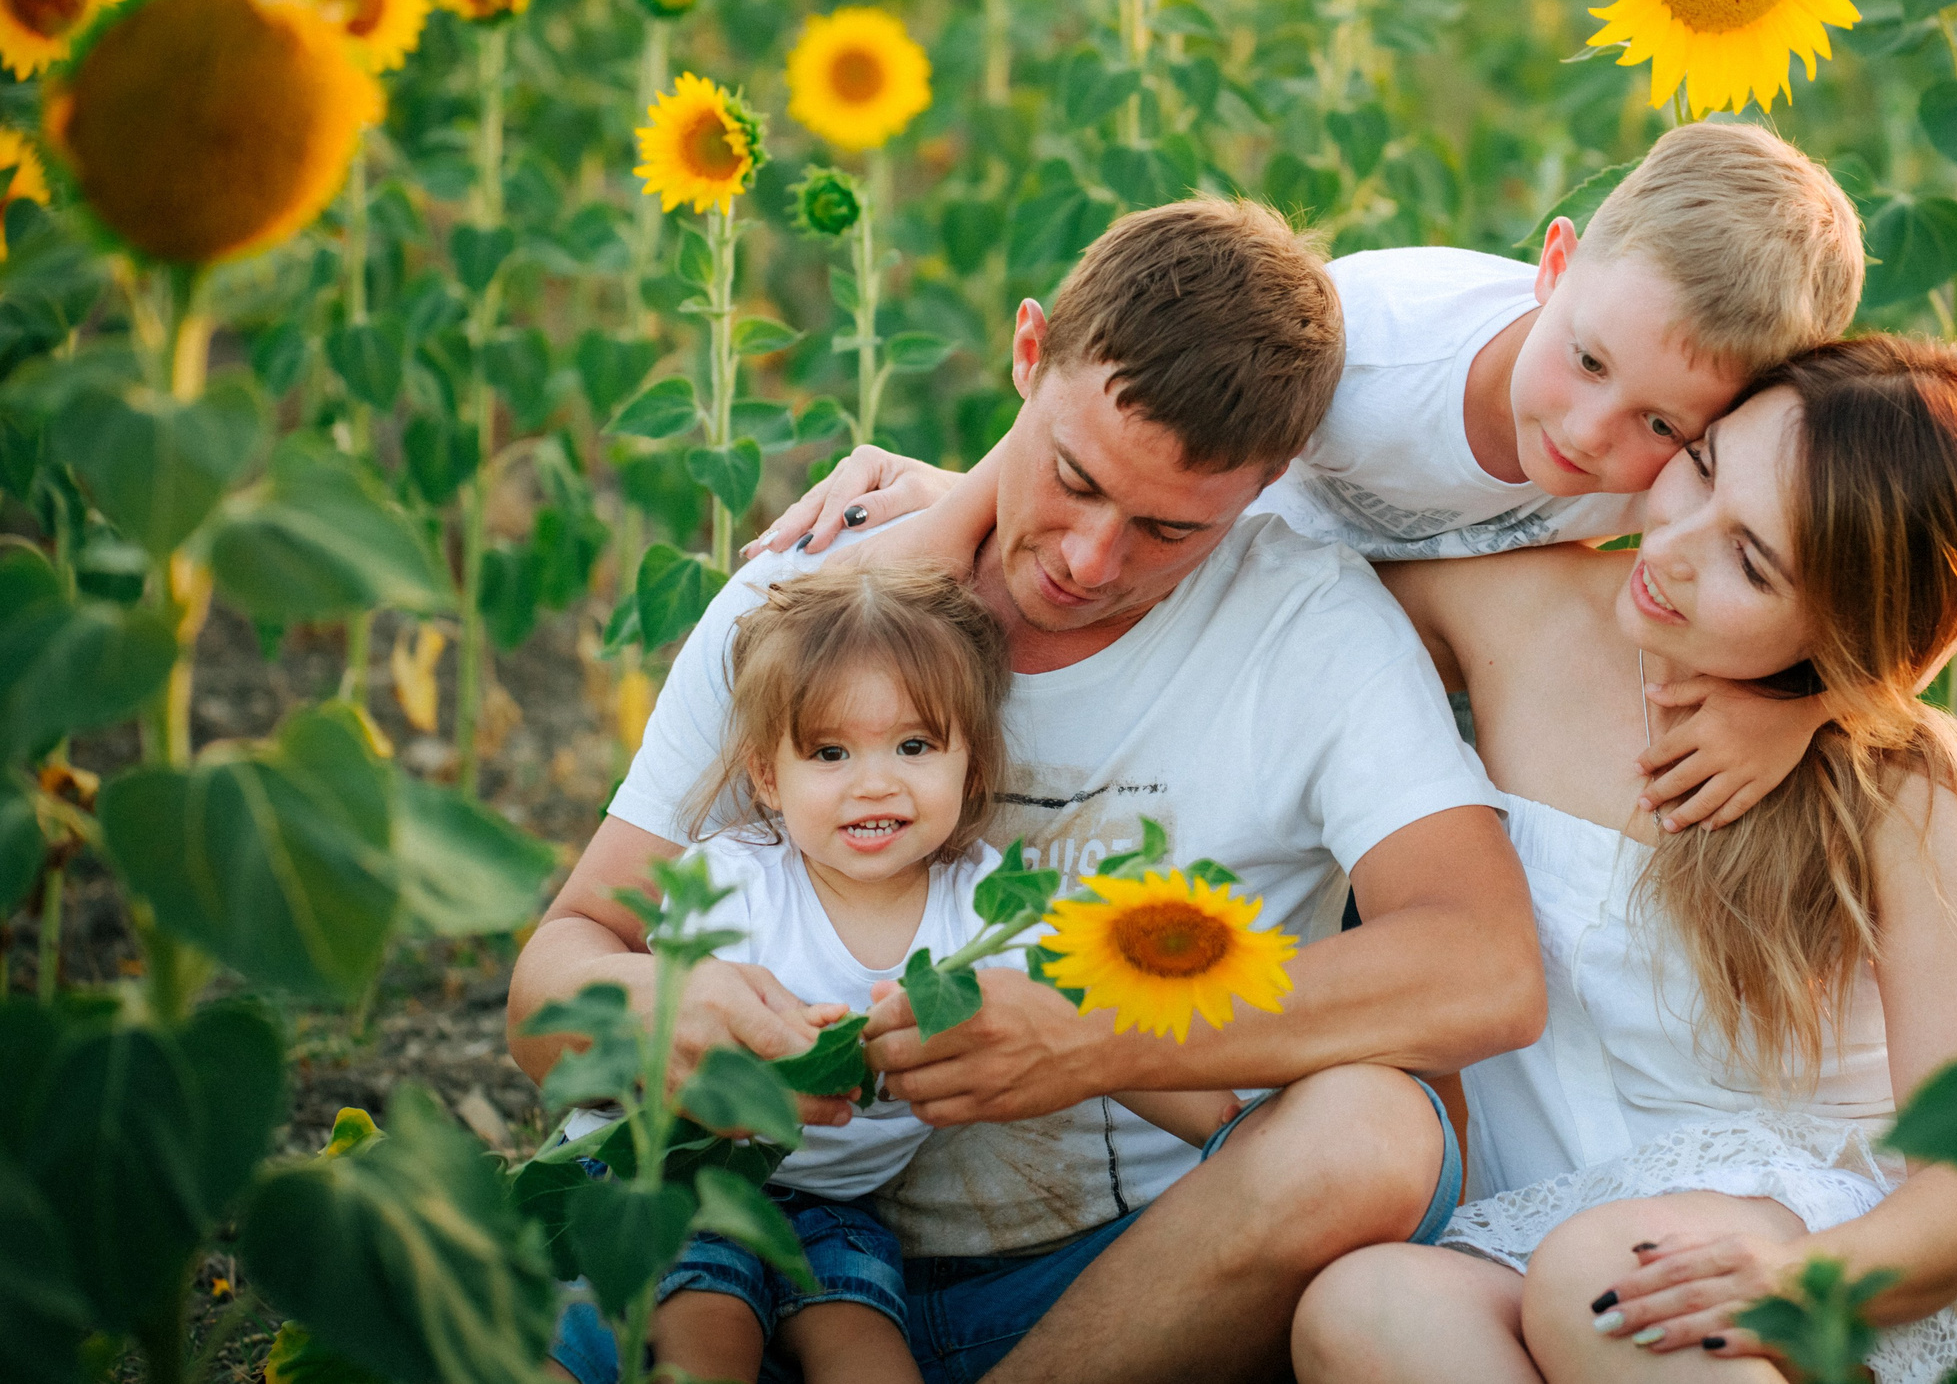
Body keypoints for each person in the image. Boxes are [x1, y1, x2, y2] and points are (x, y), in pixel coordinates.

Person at [510, 199, 1544, 1384]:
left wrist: (1101, 1033)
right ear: (1027, 352)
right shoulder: (807, 611)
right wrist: (646, 1016)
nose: (1088, 559)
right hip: (741, 1245)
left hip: (1122, 1294)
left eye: (1169, 530)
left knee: (1374, 1133)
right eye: (1072, 478)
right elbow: (558, 968)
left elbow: (1487, 967)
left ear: (1268, 486)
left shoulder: (1308, 628)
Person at [1291, 334, 1957, 1384]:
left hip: (1802, 1260)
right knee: (1366, 1309)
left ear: (1855, 630)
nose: (1671, 548)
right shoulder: (1518, 614)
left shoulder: (1893, 787)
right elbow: (1279, 578)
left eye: (1751, 560)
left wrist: (1802, 1279)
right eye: (1699, 466)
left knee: (1604, 1283)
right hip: (1533, 1233)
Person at [753, 123, 1869, 835]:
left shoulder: (1689, 463)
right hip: (1187, 571)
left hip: (1379, 660)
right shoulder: (1371, 342)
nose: (1587, 434)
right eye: (1583, 357)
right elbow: (1120, 414)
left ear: (1730, 422)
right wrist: (957, 510)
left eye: (1662, 423)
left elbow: (1914, 561)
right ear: (1556, 261)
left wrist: (1803, 709)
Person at [551, 563, 1235, 1384]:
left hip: (837, 1211)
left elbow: (1109, 1032)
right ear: (768, 777)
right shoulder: (733, 885)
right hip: (696, 1178)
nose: (875, 779)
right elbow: (652, 1041)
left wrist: (1230, 1130)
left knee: (869, 1353)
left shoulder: (989, 908)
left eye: (913, 745)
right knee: (709, 1333)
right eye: (831, 751)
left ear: (971, 763)